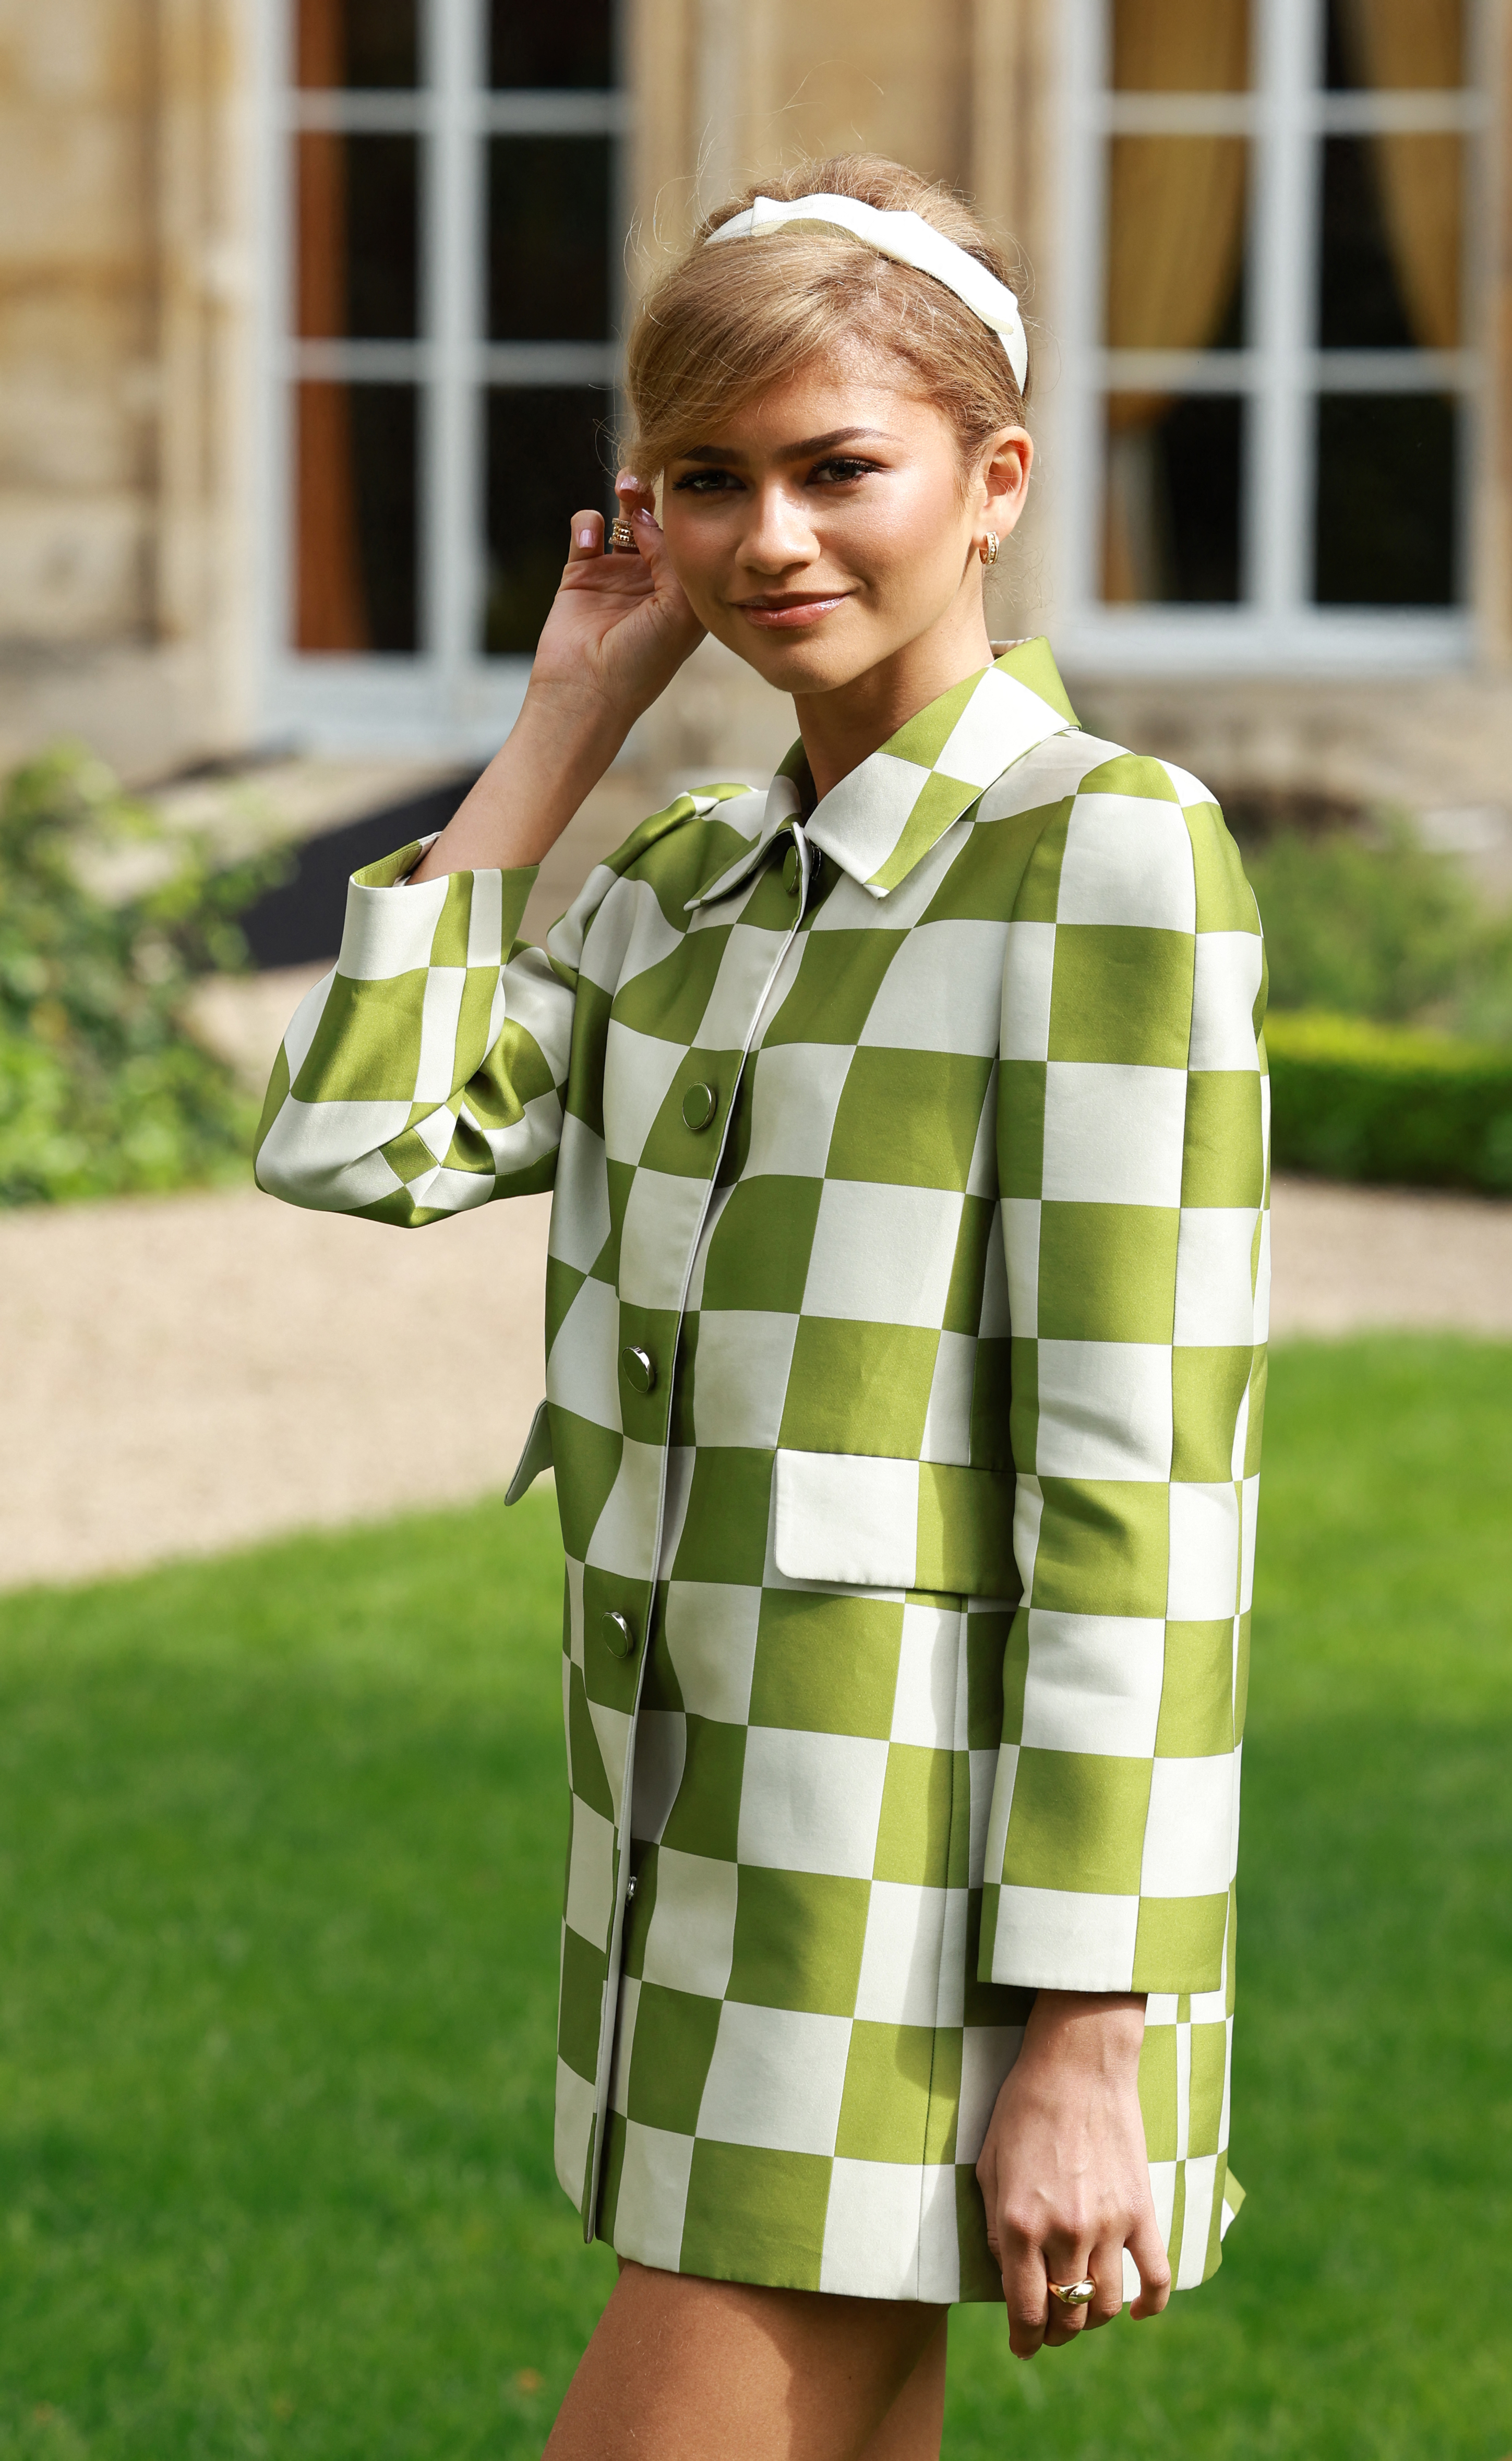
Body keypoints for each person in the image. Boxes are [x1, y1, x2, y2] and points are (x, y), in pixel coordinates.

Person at [256, 154, 1268, 2461]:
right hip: (680, 1869)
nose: (771, 540)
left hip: (920, 1922)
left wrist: (1089, 2034)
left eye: (839, 470)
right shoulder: (695, 893)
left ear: (995, 482)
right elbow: (360, 1145)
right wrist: (561, 735)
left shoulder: (1103, 854)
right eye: (708, 481)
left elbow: (1145, 1475)